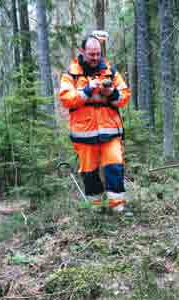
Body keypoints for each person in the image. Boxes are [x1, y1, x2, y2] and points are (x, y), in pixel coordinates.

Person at [59, 35, 131, 212]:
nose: (95, 57)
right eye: (91, 54)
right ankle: (96, 209)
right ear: (82, 52)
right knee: (89, 172)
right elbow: (66, 99)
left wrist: (111, 92)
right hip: (83, 134)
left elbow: (124, 97)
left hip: (111, 131)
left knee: (115, 166)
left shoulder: (110, 71)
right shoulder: (71, 74)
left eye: (98, 53)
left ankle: (117, 208)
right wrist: (87, 89)